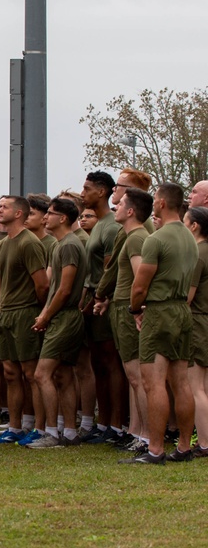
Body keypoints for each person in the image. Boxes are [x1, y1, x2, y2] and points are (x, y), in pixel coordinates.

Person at [122, 182, 198, 464]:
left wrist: (134, 310)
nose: (153, 203)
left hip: (160, 310)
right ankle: (184, 447)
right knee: (181, 382)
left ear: (163, 203)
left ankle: (155, 449)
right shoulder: (190, 237)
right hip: (182, 310)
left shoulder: (156, 238)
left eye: (155, 199)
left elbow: (140, 286)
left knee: (153, 382)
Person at [0, 196, 49, 445]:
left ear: (19, 213)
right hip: (6, 313)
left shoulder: (29, 242)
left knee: (31, 373)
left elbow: (42, 284)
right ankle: (14, 427)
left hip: (25, 312)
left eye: (5, 207)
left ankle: (40, 427)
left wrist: (36, 311)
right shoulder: (2, 245)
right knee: (10, 372)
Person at [25, 198, 87, 449]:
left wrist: (46, 315)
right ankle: (69, 431)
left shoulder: (69, 245)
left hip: (65, 317)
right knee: (63, 374)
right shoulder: (62, 245)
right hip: (63, 316)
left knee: (42, 374)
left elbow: (64, 289)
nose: (45, 217)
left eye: (50, 213)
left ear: (62, 218)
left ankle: (52, 432)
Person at [96, 188, 154, 452]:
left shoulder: (136, 238)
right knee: (134, 376)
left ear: (131, 211)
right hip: (120, 307)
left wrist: (136, 309)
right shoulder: (131, 236)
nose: (115, 207)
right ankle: (139, 433)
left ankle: (145, 436)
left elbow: (140, 277)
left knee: (137, 376)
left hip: (128, 311)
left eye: (120, 205)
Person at [80, 170, 127, 444]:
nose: (83, 193)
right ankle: (104, 421)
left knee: (111, 363)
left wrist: (99, 297)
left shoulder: (110, 226)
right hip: (92, 300)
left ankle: (117, 425)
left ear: (102, 192)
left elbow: (111, 268)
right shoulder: (98, 224)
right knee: (98, 363)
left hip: (104, 302)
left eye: (87, 189)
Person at [183, 206, 208, 457]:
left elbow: (187, 297)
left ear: (194, 226)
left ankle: (204, 443)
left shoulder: (197, 254)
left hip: (198, 322)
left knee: (196, 386)